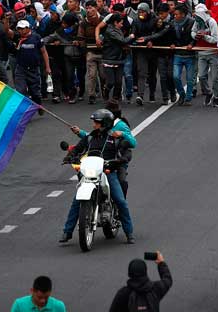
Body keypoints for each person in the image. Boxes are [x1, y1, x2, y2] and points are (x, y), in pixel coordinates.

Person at [61, 109, 136, 244]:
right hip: (90, 173)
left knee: (120, 201)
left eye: (96, 122)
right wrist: (69, 157)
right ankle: (67, 232)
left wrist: (121, 160)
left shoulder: (115, 138)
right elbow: (78, 149)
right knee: (76, 201)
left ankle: (129, 232)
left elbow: (128, 149)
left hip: (107, 173)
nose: (93, 124)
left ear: (105, 124)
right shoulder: (90, 137)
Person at [108, 254, 173, 312]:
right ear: (145, 272)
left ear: (129, 274)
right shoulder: (155, 289)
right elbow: (168, 279)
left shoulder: (123, 293)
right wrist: (161, 262)